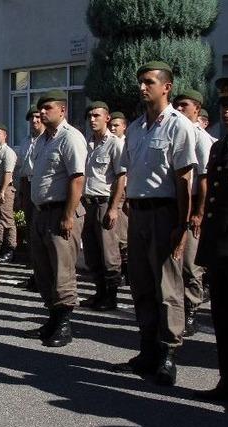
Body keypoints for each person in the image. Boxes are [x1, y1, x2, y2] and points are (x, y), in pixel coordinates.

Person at [109, 62, 197, 386]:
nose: (142, 88)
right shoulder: (134, 128)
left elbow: (184, 179)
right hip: (139, 214)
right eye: (140, 82)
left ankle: (168, 354)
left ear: (166, 87)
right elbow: (126, 173)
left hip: (165, 212)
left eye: (148, 82)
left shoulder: (178, 126)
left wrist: (182, 226)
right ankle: (146, 350)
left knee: (167, 286)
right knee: (141, 283)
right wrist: (119, 207)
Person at [194, 76, 228, 414]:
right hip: (221, 246)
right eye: (224, 106)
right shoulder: (220, 146)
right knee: (224, 320)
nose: (227, 111)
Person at [21, 90, 87, 347]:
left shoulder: (70, 138)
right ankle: (52, 318)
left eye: (48, 108)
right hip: (41, 213)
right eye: (40, 109)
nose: (42, 113)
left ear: (63, 110)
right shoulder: (42, 141)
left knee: (62, 270)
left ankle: (64, 324)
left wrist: (69, 215)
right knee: (44, 270)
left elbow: (77, 178)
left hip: (61, 212)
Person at [173, 89, 214, 336]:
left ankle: (190, 311)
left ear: (197, 109)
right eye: (176, 105)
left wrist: (198, 213)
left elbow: (205, 179)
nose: (179, 110)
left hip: (194, 205)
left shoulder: (199, 137)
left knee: (190, 264)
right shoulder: (178, 133)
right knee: (175, 263)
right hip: (178, 204)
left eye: (184, 106)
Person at [79, 101, 124, 311]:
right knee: (91, 251)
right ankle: (99, 292)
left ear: (107, 118)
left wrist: (114, 208)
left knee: (109, 253)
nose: (92, 119)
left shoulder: (114, 143)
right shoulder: (86, 143)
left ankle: (111, 296)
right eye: (89, 116)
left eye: (96, 115)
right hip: (86, 203)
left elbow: (121, 177)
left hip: (105, 203)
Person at [16, 106, 45, 292]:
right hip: (27, 186)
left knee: (42, 234)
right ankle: (36, 274)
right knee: (31, 234)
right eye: (31, 119)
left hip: (41, 186)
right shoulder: (26, 141)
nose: (34, 121)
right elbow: (21, 169)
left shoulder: (48, 139)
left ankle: (44, 276)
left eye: (37, 117)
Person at [109, 111, 130, 283]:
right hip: (113, 192)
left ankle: (126, 270)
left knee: (123, 235)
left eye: (116, 125)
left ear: (124, 126)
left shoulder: (126, 144)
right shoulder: (109, 143)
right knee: (114, 235)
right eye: (111, 125)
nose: (113, 128)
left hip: (125, 193)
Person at [0, 123, 18, 263]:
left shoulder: (8, 152)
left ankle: (10, 248)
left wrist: (2, 191)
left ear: (5, 136)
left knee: (7, 220)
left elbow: (8, 173)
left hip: (5, 189)